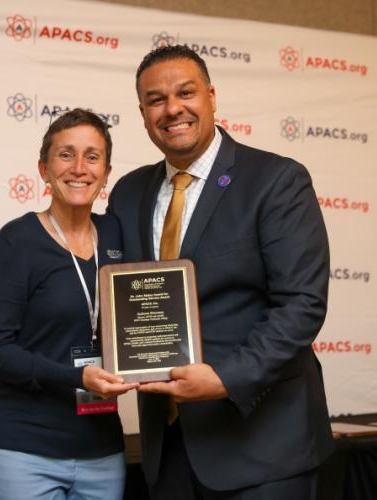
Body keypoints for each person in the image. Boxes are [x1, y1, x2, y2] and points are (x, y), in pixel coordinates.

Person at [106, 45, 334, 499]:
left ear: (211, 95)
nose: (172, 109)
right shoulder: (129, 193)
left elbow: (301, 304)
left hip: (265, 449)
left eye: (185, 92)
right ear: (142, 112)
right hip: (169, 450)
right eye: (156, 100)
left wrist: (227, 377)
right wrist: (24, 252)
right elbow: (105, 278)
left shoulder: (275, 180)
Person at [0, 108, 138, 500]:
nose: (79, 167)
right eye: (65, 154)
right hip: (22, 449)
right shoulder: (16, 242)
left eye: (92, 156)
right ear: (44, 169)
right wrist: (77, 377)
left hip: (102, 450)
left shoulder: (119, 235)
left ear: (107, 172)